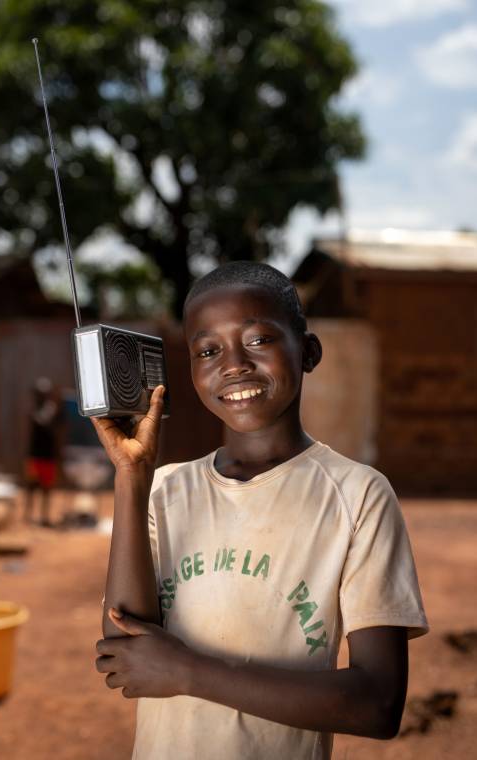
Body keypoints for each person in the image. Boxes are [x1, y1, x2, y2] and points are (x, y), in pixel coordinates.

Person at [92, 262, 428, 760]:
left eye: (256, 340)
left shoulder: (358, 495)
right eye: (209, 350)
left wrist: (188, 672)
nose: (233, 365)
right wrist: (132, 478)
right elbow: (124, 653)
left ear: (308, 351)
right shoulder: (162, 490)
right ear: (190, 370)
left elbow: (377, 705)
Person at [24, 376, 62, 526]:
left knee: (46, 488)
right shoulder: (34, 410)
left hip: (48, 455)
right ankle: (28, 515)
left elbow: (56, 427)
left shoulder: (53, 410)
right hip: (34, 454)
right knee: (31, 486)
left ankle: (44, 516)